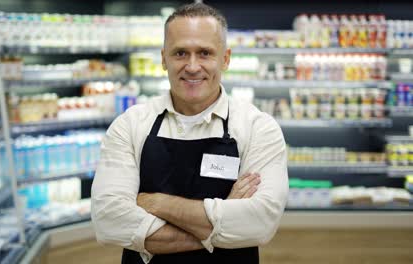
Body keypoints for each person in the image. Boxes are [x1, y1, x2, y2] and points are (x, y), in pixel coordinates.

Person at [91, 3, 288, 264]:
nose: (192, 66)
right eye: (180, 53)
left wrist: (158, 203)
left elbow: (260, 223)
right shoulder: (130, 125)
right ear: (163, 58)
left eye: (205, 53)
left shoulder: (258, 128)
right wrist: (223, 221)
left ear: (225, 59)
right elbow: (109, 221)